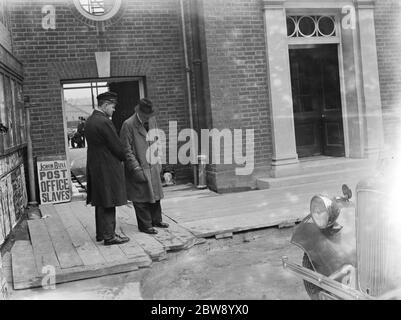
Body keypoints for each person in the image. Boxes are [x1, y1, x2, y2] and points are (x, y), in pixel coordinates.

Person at [85, 91, 130, 245]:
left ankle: (101, 234)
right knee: (109, 200)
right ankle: (109, 236)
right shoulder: (104, 122)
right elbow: (116, 146)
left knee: (101, 200)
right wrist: (125, 157)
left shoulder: (90, 120)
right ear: (104, 105)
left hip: (96, 166)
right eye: (112, 106)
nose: (114, 109)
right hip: (107, 167)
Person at [120, 98, 169, 234]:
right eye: (146, 116)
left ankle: (156, 220)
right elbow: (126, 149)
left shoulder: (152, 121)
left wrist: (160, 161)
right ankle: (145, 225)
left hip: (153, 164)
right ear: (139, 113)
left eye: (150, 115)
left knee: (155, 194)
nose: (148, 118)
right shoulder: (128, 124)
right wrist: (135, 168)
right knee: (141, 196)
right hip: (140, 165)